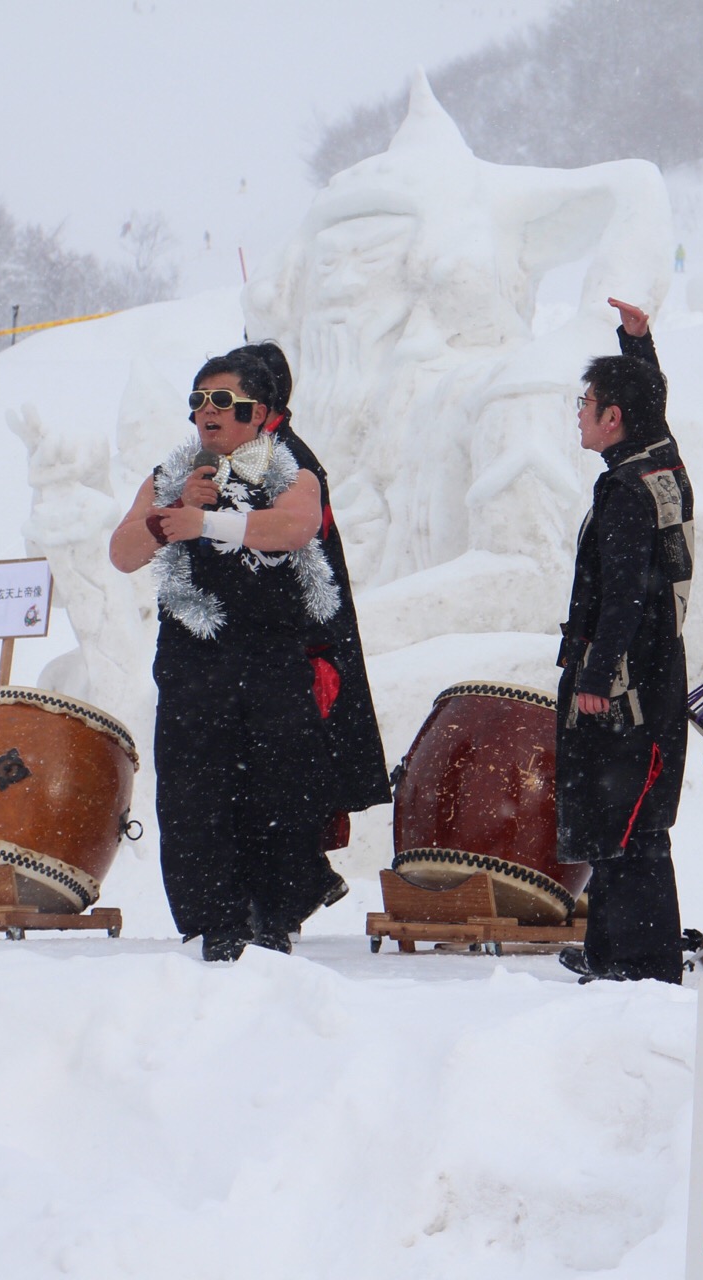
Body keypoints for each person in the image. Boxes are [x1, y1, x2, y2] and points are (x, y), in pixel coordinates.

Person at [108, 349, 346, 962]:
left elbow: (294, 527)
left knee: (276, 789)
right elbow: (123, 552)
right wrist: (172, 514)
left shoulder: (291, 473)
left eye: (223, 400)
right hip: (194, 657)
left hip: (269, 655)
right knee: (194, 792)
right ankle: (213, 918)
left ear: (259, 412)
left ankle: (272, 914)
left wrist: (207, 524)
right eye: (198, 399)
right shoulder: (171, 474)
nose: (207, 411)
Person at [556, 297, 693, 986]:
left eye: (588, 402)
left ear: (613, 418)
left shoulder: (626, 494)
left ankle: (641, 962)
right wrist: (637, 345)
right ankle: (612, 949)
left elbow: (624, 598)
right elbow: (653, 406)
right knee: (622, 817)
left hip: (629, 680)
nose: (579, 412)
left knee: (630, 818)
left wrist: (594, 678)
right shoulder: (657, 462)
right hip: (654, 674)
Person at [241, 342, 391, 912]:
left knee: (282, 765)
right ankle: (299, 874)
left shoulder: (275, 458)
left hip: (302, 635)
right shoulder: (268, 449)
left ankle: (294, 880)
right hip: (308, 630)